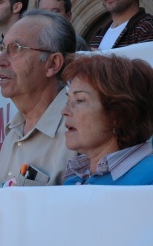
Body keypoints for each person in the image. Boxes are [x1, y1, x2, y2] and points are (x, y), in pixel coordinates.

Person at [0, 9, 77, 197]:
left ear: (53, 64)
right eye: (1, 49)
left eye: (15, 49)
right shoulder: (13, 130)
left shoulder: (79, 130)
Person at [62, 54, 153, 185]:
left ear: (119, 113)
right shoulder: (74, 180)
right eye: (68, 100)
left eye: (79, 100)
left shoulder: (149, 180)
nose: (64, 111)